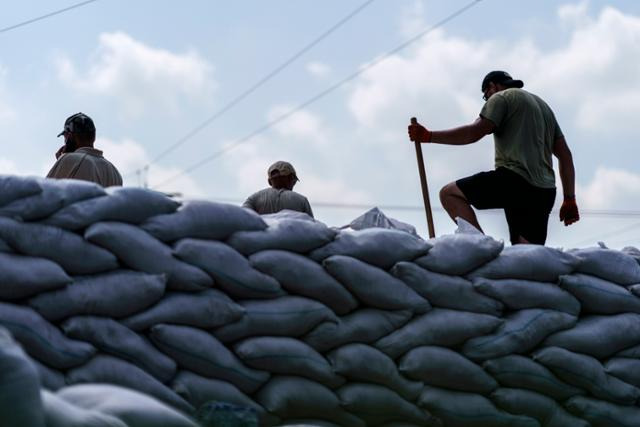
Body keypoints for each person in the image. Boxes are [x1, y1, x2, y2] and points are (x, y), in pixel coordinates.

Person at [408, 70, 579, 245]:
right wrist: (569, 198)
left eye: (486, 95)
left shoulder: (501, 97)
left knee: (449, 194)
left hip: (514, 180)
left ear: (492, 86)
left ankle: (484, 247)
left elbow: (473, 132)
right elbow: (565, 156)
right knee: (525, 255)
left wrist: (429, 136)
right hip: (544, 192)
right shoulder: (545, 109)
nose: (487, 99)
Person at [47, 112, 123, 187]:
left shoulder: (68, 159)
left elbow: (46, 193)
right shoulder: (115, 172)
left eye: (65, 137)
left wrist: (61, 162)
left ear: (70, 137)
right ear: (94, 136)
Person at [243, 161, 314, 217]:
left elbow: (243, 218)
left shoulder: (254, 199)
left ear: (269, 181)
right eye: (294, 180)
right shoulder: (301, 200)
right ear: (290, 178)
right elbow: (312, 229)